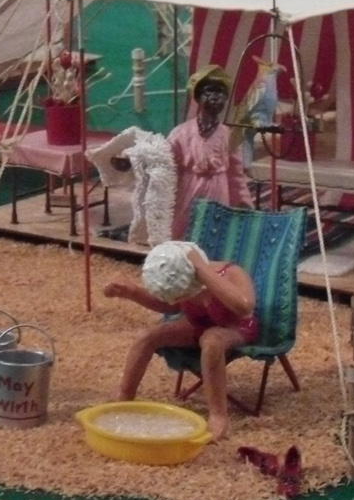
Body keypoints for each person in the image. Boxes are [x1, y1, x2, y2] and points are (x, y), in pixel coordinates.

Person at [104, 243, 257, 440]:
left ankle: (218, 415)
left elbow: (244, 307)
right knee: (147, 337)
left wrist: (201, 269)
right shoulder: (180, 280)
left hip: (235, 326)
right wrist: (132, 292)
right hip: (198, 324)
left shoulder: (229, 273)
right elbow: (168, 307)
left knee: (211, 341)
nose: (183, 298)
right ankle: (124, 398)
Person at [168, 64, 253, 239]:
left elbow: (235, 174)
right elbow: (165, 163)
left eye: (220, 93)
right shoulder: (180, 133)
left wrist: (243, 202)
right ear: (198, 97)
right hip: (188, 191)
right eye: (209, 92)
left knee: (215, 232)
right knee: (184, 231)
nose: (215, 97)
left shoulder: (228, 136)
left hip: (217, 192)